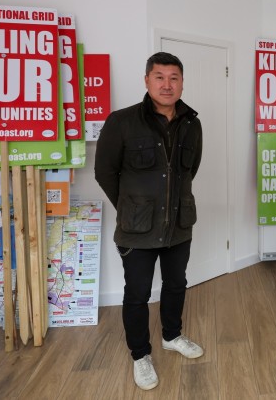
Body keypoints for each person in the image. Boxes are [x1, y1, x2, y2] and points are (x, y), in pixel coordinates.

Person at [95, 52, 204, 391]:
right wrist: (131, 206)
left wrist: (169, 205)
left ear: (182, 82)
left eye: (174, 77)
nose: (167, 84)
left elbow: (191, 169)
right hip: (137, 230)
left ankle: (172, 335)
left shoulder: (192, 123)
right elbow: (104, 172)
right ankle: (140, 354)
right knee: (137, 294)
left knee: (176, 285)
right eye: (159, 77)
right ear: (146, 80)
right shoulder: (122, 121)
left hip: (178, 226)